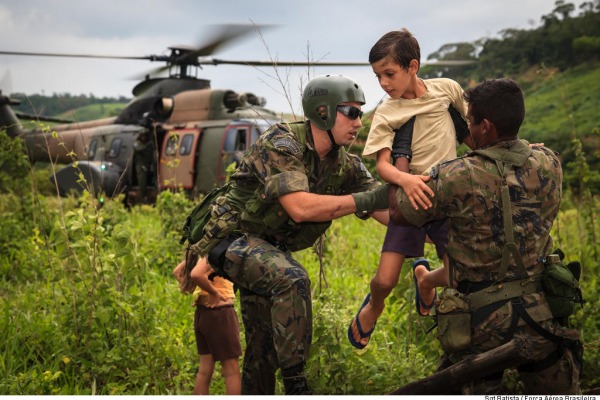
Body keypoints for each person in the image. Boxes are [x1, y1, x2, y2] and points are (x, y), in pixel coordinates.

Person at [181, 74, 389, 395]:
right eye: (352, 112)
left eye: (360, 113)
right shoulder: (282, 143)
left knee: (262, 352)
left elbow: (384, 206)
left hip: (266, 249)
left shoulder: (343, 164)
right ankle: (296, 384)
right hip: (231, 240)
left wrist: (427, 209)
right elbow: (300, 208)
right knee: (291, 279)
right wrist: (365, 200)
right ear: (324, 112)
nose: (359, 122)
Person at [390, 78, 583, 394]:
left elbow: (401, 213)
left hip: (480, 321)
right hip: (540, 312)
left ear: (486, 127)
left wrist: (401, 159)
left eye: (470, 121)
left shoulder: (456, 175)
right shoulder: (550, 162)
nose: (468, 127)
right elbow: (515, 156)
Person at [348, 28, 468, 349]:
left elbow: (472, 131)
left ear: (412, 67)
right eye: (378, 76)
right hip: (409, 200)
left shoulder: (447, 90)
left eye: (389, 74)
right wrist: (407, 180)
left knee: (458, 273)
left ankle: (425, 279)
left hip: (446, 201)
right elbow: (383, 167)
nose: (384, 84)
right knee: (385, 280)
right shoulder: (387, 111)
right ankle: (374, 306)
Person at [173, 257, 242, 395]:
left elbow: (177, 271)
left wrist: (198, 290)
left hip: (203, 314)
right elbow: (197, 274)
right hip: (220, 314)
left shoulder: (201, 252)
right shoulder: (217, 252)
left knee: (204, 371)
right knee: (231, 371)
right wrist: (214, 293)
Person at [132, 130, 155, 203]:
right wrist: (149, 145)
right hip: (140, 166)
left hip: (148, 165)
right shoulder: (137, 144)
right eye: (142, 136)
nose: (144, 137)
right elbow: (140, 148)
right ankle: (143, 198)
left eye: (145, 136)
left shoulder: (149, 145)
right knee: (142, 182)